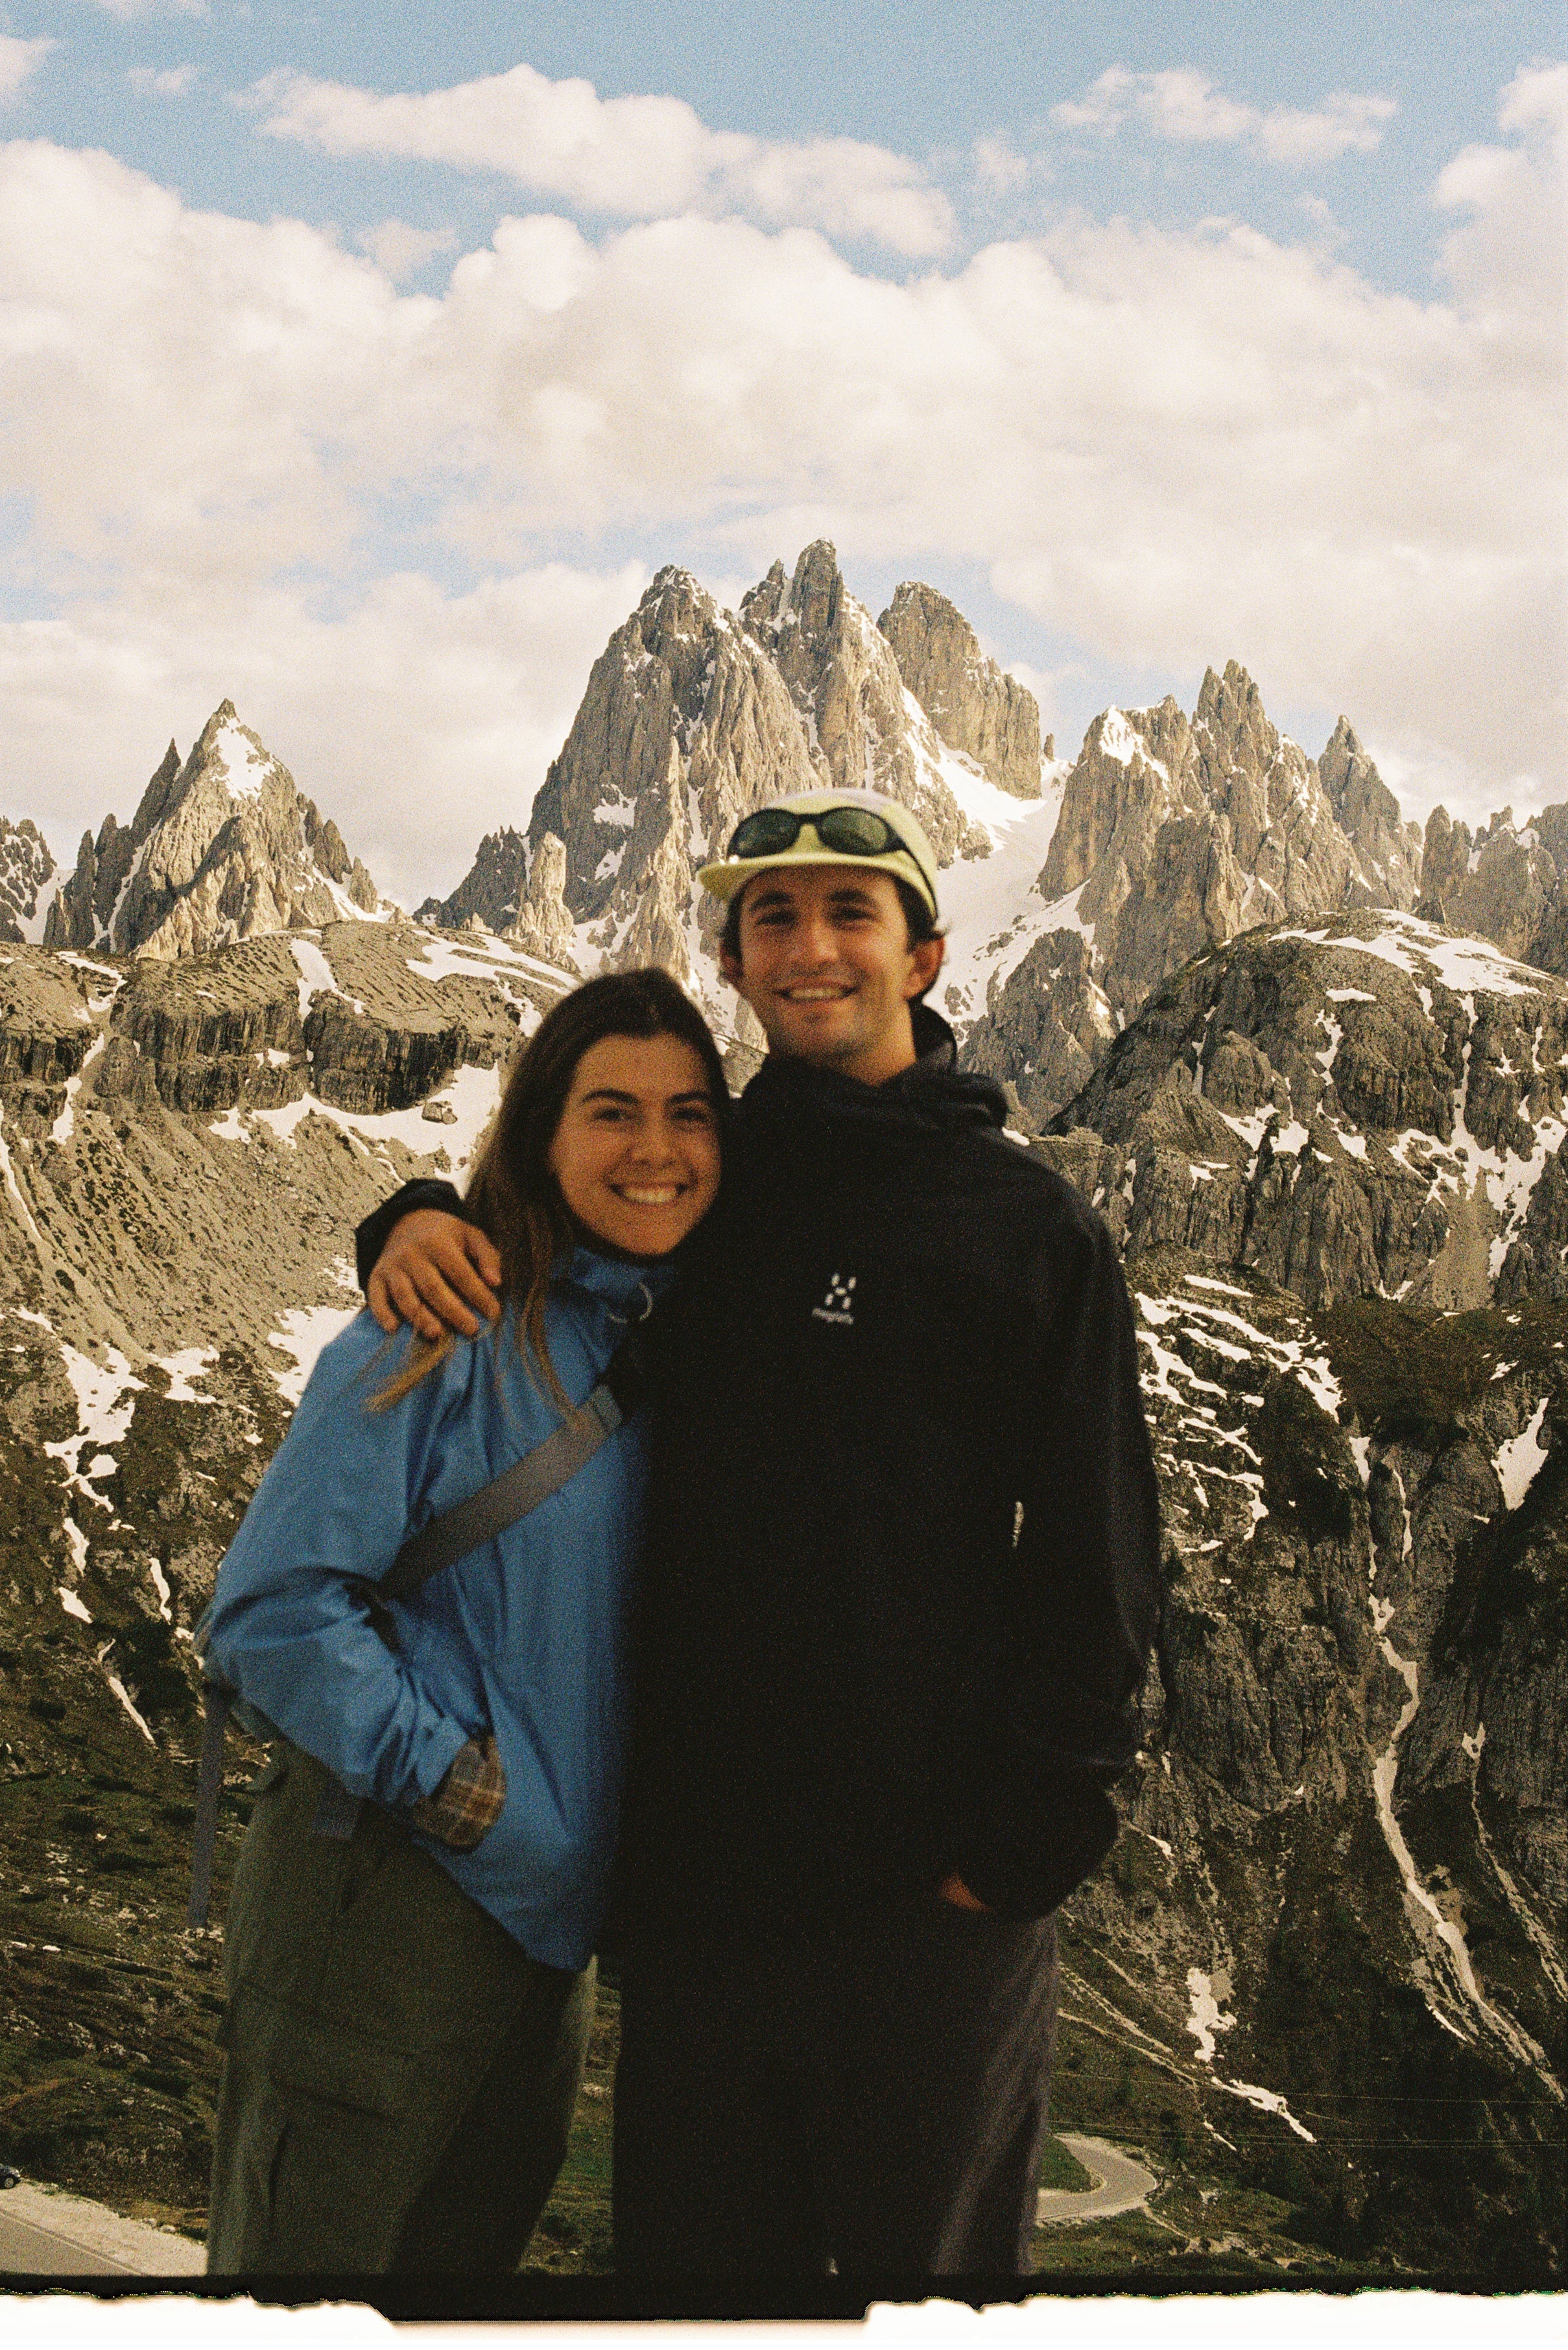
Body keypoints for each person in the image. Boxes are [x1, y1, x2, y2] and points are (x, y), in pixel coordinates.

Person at [361, 790, 1160, 2300]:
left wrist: (1007, 1866)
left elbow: (1099, 1568)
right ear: (731, 961)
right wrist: (406, 1216)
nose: (809, 948)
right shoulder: (702, 1184)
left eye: (851, 913)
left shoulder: (1026, 1229)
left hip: (926, 1921)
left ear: (925, 956)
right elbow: (536, 1222)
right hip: (703, 1919)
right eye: (772, 919)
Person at [202, 967, 729, 2281]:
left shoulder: (670, 1345)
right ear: (541, 1129)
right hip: (388, 1909)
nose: (655, 1149)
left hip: (548, 1953)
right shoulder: (440, 1323)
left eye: (689, 1113)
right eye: (612, 1111)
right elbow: (269, 1611)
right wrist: (459, 1789)